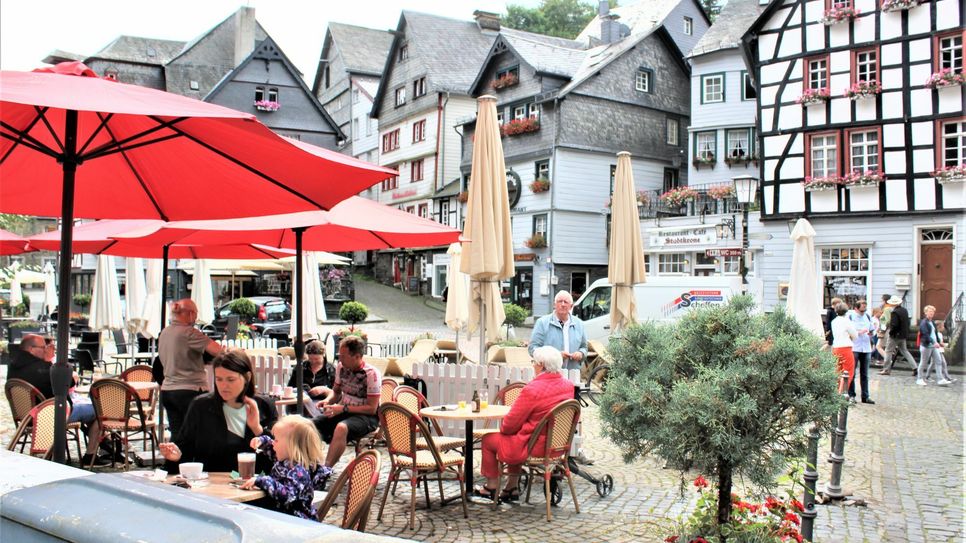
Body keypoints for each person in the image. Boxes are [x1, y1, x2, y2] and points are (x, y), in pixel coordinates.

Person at [476, 346, 575, 502]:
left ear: (541, 364)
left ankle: (492, 486)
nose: (533, 365)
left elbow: (508, 425)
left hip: (534, 446)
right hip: (557, 446)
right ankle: (511, 488)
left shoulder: (533, 389)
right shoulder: (568, 386)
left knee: (489, 439)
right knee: (516, 437)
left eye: (533, 362)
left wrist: (508, 428)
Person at [159, 349, 277, 473]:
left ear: (247, 377)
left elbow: (279, 456)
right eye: (219, 379)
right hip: (211, 485)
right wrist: (176, 457)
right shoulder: (201, 406)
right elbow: (185, 449)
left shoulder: (264, 406)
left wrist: (257, 429)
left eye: (230, 379)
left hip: (255, 485)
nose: (223, 386)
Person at [9, 334, 109, 466]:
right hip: (52, 414)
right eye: (43, 347)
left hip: (25, 416)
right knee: (100, 410)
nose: (46, 349)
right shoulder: (41, 367)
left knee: (88, 408)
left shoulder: (13, 365)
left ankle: (104, 444)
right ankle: (91, 456)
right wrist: (48, 360)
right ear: (32, 349)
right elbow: (67, 383)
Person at [240, 415, 332, 519]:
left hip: (296, 521)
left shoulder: (297, 471)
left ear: (291, 447)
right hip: (283, 516)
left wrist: (264, 481)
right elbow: (271, 447)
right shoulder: (287, 460)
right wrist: (262, 441)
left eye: (276, 440)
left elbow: (288, 496)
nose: (273, 443)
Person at [311, 335, 380, 468]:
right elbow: (336, 392)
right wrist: (327, 401)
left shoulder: (371, 374)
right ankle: (310, 464)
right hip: (344, 411)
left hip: (367, 417)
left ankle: (326, 469)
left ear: (357, 356)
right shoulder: (341, 367)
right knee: (310, 425)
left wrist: (342, 408)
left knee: (342, 427)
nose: (339, 358)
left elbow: (372, 408)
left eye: (343, 355)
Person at [157, 299, 223, 438]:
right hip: (189, 390)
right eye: (196, 314)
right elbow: (218, 351)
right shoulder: (190, 333)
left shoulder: (165, 332)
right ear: (191, 314)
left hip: (168, 390)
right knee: (197, 434)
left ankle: (177, 460)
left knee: (178, 435)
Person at [529, 290, 588, 371]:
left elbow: (584, 347)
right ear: (554, 305)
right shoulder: (542, 323)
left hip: (573, 374)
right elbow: (532, 349)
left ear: (571, 306)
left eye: (566, 302)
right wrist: (556, 356)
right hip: (549, 374)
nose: (562, 304)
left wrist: (581, 354)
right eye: (560, 301)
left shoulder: (579, 324)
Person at [847, 300, 876, 404]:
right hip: (855, 347)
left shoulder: (867, 317)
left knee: (865, 373)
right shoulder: (851, 317)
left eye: (865, 307)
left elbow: (872, 329)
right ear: (856, 308)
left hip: (866, 347)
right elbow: (848, 331)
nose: (864, 309)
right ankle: (851, 395)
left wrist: (871, 333)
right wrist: (858, 332)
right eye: (862, 307)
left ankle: (865, 396)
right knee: (852, 372)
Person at [879, 296, 916, 376]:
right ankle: (915, 367)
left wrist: (891, 333)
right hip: (903, 335)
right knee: (905, 351)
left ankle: (886, 369)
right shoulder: (904, 311)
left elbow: (894, 325)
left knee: (888, 351)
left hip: (895, 335)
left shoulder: (895, 312)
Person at [916, 306, 947, 386]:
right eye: (930, 311)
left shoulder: (932, 322)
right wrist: (933, 342)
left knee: (938, 361)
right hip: (926, 346)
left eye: (933, 312)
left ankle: (940, 379)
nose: (931, 313)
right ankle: (919, 379)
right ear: (926, 312)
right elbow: (925, 335)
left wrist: (939, 342)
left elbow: (935, 333)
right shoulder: (924, 323)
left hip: (933, 346)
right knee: (923, 362)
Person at [830, 302, 857, 393]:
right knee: (848, 372)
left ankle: (835, 392)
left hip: (835, 347)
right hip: (845, 347)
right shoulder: (847, 321)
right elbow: (855, 335)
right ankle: (841, 394)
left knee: (837, 371)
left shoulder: (834, 321)